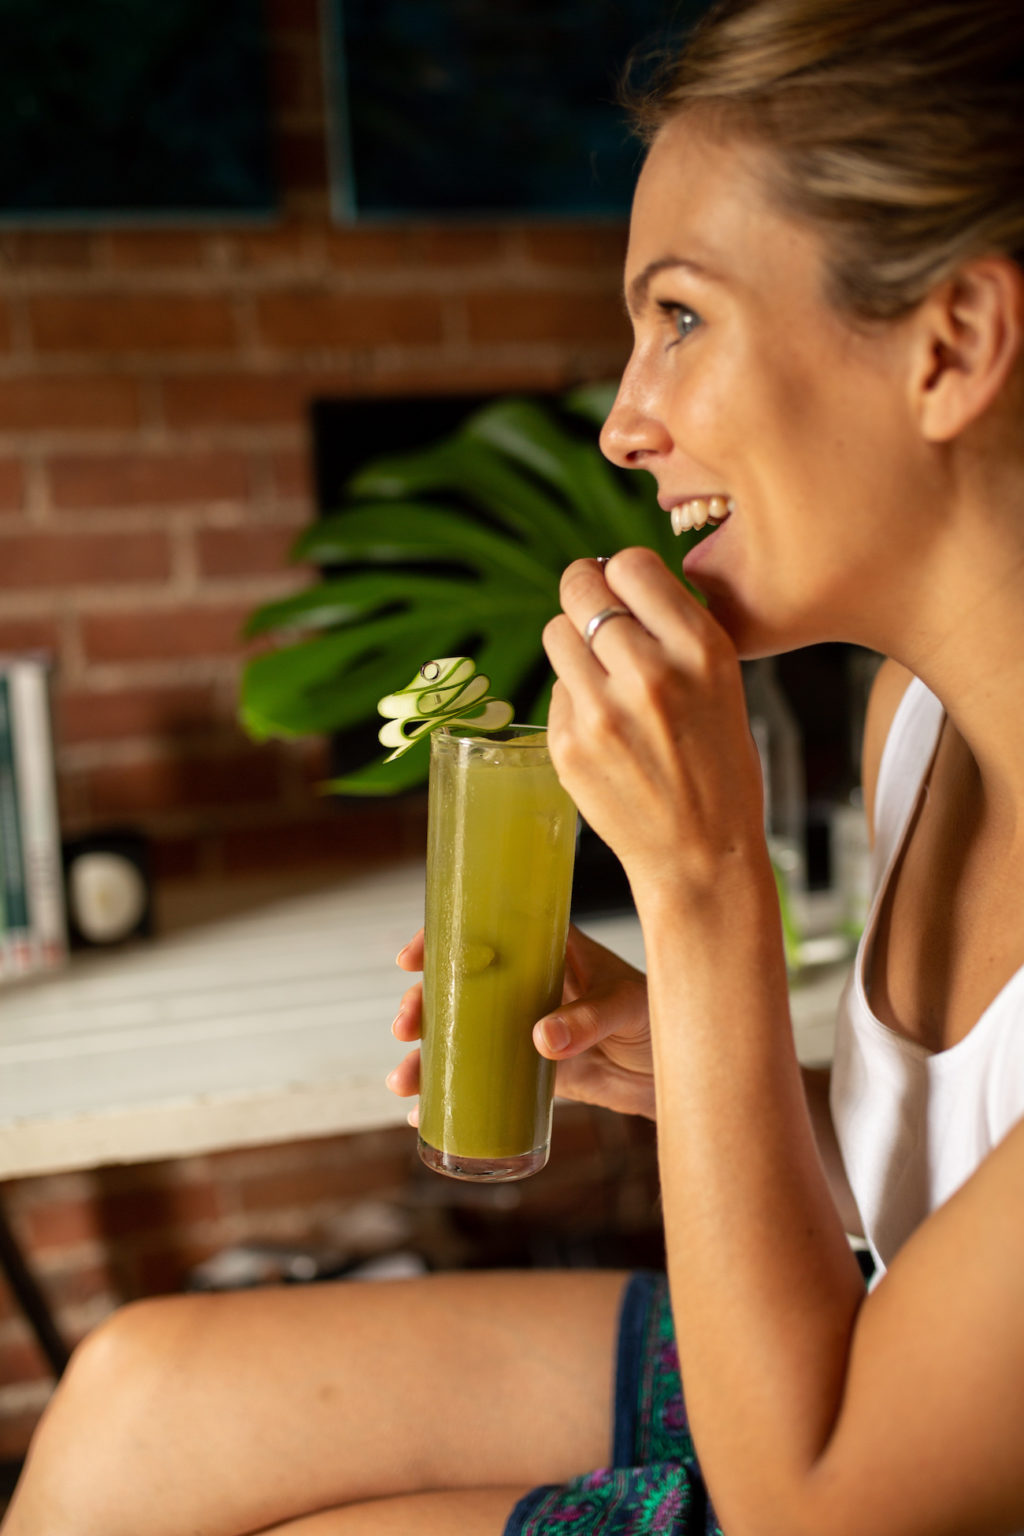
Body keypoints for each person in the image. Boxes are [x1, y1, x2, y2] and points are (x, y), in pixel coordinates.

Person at [5, 0, 1024, 1530]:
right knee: (135, 1395)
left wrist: (700, 899)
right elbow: (959, 1199)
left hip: (843, 1482)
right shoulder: (917, 731)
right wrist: (703, 1072)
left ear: (950, 347)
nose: (624, 423)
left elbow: (821, 1511)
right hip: (883, 1355)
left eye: (679, 317)